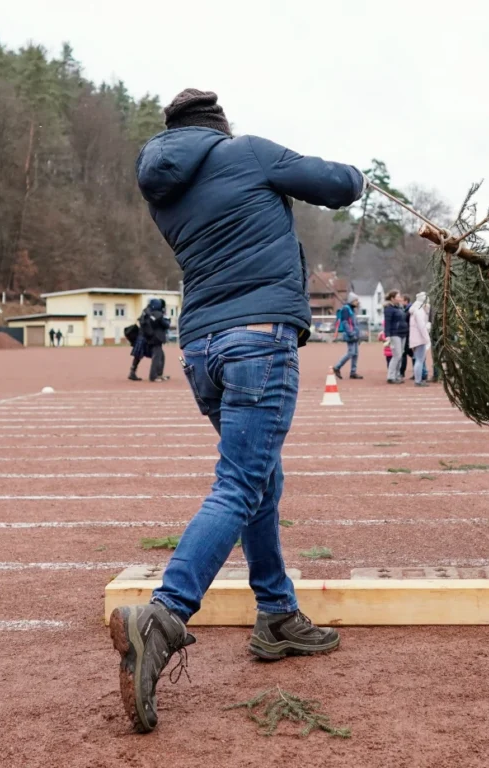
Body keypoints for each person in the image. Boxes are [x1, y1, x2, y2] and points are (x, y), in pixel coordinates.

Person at [110, 88, 365, 734]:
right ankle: (163, 618)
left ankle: (277, 613)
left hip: (201, 350)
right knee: (241, 484)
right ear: (218, 126)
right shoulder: (245, 154)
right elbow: (333, 185)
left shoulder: (161, 189)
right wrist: (363, 175)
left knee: (260, 480)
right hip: (259, 339)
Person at [139, 298, 171, 382]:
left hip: (151, 338)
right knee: (157, 357)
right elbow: (166, 325)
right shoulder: (157, 314)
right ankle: (153, 376)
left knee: (161, 356)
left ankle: (159, 374)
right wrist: (167, 320)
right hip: (156, 338)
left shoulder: (147, 313)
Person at [332, 292, 363, 380]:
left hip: (355, 335)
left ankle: (353, 372)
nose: (358, 302)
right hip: (350, 335)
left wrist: (358, 334)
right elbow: (345, 322)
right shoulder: (346, 309)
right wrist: (351, 333)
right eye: (356, 300)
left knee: (355, 354)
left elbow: (355, 323)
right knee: (351, 352)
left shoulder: (352, 309)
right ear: (351, 300)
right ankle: (337, 367)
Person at [383, 291, 407, 384]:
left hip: (403, 333)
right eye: (398, 296)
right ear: (392, 298)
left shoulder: (400, 308)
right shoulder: (389, 309)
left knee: (400, 355)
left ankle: (397, 375)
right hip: (394, 334)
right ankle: (391, 376)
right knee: (397, 355)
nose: (400, 297)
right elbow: (387, 323)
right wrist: (387, 336)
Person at [409, 291, 431, 387]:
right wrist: (427, 339)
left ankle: (418, 379)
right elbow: (422, 326)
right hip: (419, 339)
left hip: (416, 338)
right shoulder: (419, 311)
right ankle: (418, 380)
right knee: (419, 360)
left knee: (419, 359)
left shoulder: (417, 310)